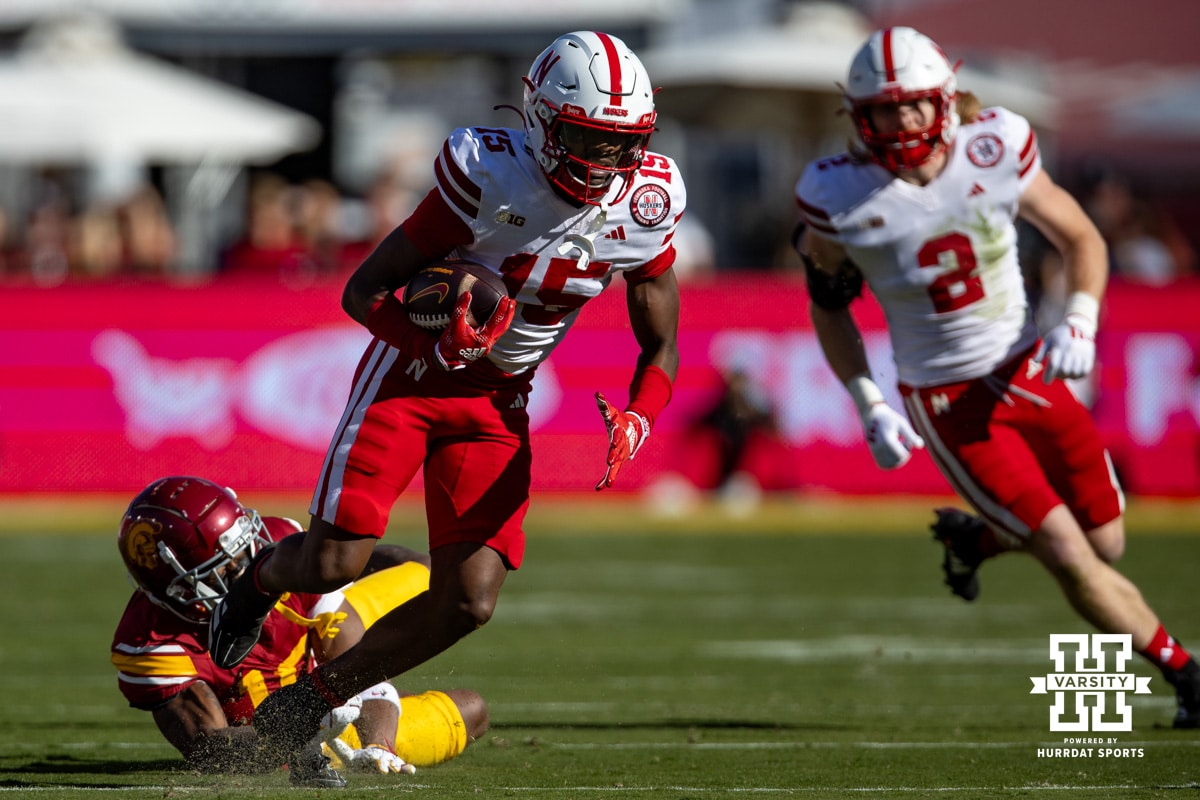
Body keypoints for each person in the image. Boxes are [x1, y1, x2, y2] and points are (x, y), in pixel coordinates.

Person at [207, 30, 685, 763]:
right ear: (544, 122)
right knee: (334, 563)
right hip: (413, 380)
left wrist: (641, 416)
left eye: (623, 145)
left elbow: (660, 344)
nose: (608, 164)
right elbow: (362, 290)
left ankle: (310, 701)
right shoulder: (487, 174)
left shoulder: (648, 202)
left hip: (500, 404)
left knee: (470, 601)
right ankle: (261, 576)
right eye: (589, 140)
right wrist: (433, 343)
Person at [794, 26, 1199, 729]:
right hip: (949, 401)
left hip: (1028, 368)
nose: (904, 122)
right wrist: (869, 402)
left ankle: (978, 539)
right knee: (1072, 554)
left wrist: (1080, 318)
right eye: (885, 110)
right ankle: (1187, 675)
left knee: (1108, 542)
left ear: (944, 100)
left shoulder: (996, 145)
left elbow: (1081, 237)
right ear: (859, 116)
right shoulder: (838, 195)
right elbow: (829, 309)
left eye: (916, 104)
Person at [112, 476, 490, 786]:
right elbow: (211, 750)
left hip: (326, 683)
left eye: (249, 549)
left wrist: (380, 743)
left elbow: (356, 667)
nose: (250, 568)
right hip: (297, 738)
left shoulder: (275, 549)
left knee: (422, 574)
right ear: (179, 587)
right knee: (468, 710)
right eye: (226, 567)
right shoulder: (152, 643)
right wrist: (300, 737)